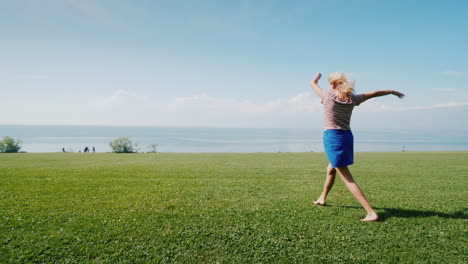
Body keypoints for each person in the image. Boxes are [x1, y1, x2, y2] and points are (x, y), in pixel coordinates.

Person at [309, 72, 405, 222]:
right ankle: (322, 198)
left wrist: (316, 77)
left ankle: (370, 212)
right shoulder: (352, 99)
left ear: (333, 84)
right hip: (347, 137)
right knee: (331, 169)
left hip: (333, 138)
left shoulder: (327, 96)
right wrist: (391, 92)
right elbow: (373, 94)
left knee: (347, 177)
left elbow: (312, 84)